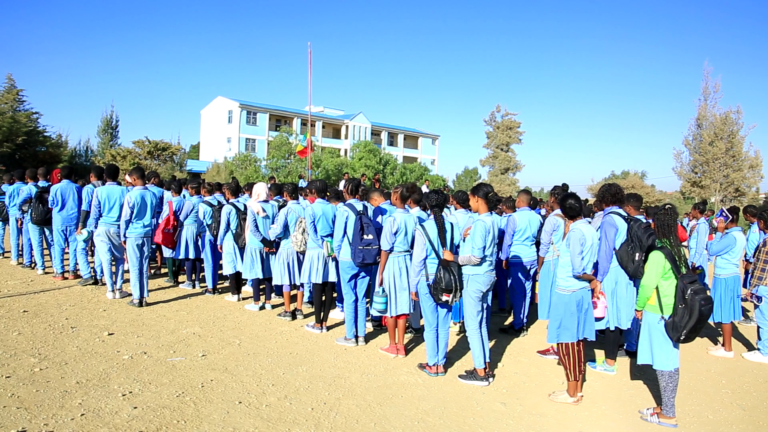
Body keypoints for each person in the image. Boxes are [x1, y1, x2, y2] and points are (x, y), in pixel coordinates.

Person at [444, 183, 500, 386]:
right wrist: (467, 235)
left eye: (470, 199)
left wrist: (454, 258)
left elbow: (475, 257)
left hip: (475, 276)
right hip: (487, 275)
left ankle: (480, 372)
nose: (469, 203)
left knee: (473, 326)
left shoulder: (481, 224)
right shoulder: (492, 220)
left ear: (477, 198)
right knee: (481, 323)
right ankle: (484, 365)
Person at [636, 204, 686, 427]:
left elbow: (647, 285)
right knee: (668, 360)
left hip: (659, 313)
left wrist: (639, 306)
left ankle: (669, 414)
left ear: (657, 226)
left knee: (665, 363)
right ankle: (665, 406)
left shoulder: (658, 254)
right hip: (674, 311)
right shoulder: (678, 250)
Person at [546, 192, 598, 405]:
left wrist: (592, 278)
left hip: (569, 291)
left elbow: (577, 269)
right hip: (579, 291)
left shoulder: (576, 232)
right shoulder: (589, 228)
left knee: (568, 343)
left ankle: (571, 391)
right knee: (576, 342)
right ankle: (574, 389)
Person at [588, 183, 634, 375]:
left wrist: (598, 278)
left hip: (612, 273)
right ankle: (616, 354)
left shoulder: (608, 220)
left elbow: (605, 252)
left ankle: (609, 363)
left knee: (610, 319)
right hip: (625, 272)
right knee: (619, 315)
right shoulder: (626, 217)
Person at [410, 190, 457, 376]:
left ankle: (432, 363)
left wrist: (413, 286)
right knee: (444, 322)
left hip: (427, 279)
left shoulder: (422, 228)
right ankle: (441, 363)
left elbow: (417, 261)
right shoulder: (452, 226)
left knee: (430, 324)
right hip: (447, 279)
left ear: (427, 205)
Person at [377, 184, 417, 357]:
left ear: (395, 197)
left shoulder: (392, 219)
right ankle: (402, 345)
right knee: (403, 305)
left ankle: (392, 344)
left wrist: (381, 271)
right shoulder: (412, 218)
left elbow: (385, 248)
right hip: (406, 261)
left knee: (391, 305)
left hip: (393, 261)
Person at [333, 178, 375, 347]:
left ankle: (350, 335)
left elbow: (338, 238)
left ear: (345, 192)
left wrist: (337, 253)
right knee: (361, 296)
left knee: (349, 296)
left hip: (347, 256)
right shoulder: (368, 208)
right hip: (366, 257)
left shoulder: (343, 210)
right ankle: (362, 335)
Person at [500, 190, 543, 335]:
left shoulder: (514, 218)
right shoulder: (537, 218)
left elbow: (508, 240)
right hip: (531, 257)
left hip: (518, 258)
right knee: (527, 290)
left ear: (518, 200)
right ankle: (523, 321)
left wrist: (504, 257)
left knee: (517, 292)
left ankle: (518, 324)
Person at [706, 206, 746, 358]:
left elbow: (713, 250)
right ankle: (724, 344)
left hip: (725, 276)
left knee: (725, 311)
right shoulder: (739, 235)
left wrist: (718, 233)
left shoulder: (730, 237)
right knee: (725, 309)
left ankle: (727, 348)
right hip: (731, 274)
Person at [535, 183, 568, 359]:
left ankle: (555, 345)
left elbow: (544, 245)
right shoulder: (571, 217)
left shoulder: (553, 219)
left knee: (552, 303)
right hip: (565, 262)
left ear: (553, 199)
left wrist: (540, 267)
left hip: (551, 262)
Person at [301, 180, 337, 332]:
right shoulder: (333, 208)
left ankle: (317, 323)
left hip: (316, 248)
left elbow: (312, 230)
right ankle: (324, 323)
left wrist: (320, 244)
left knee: (317, 284)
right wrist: (329, 244)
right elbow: (336, 229)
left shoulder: (311, 208)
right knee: (329, 284)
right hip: (330, 245)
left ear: (314, 192)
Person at [90, 164, 129, 299]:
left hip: (101, 228)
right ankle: (119, 289)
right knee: (119, 259)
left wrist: (93, 229)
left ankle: (109, 290)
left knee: (105, 259)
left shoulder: (98, 191)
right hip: (117, 228)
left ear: (105, 176)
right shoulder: (125, 191)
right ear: (118, 176)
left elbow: (94, 213)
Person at [120, 166, 157, 307]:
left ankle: (136, 298)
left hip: (133, 234)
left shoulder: (131, 196)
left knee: (134, 266)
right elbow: (154, 216)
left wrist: (123, 235)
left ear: (134, 179)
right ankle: (144, 296)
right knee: (144, 265)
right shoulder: (152, 195)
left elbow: (125, 218)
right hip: (147, 234)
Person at [268, 183, 306, 320]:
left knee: (286, 278)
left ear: (285, 195)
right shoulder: (304, 208)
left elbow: (279, 230)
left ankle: (288, 309)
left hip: (287, 246)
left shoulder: (285, 210)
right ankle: (300, 309)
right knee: (300, 278)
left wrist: (270, 234)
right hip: (302, 247)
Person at [15, 168, 54, 275]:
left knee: (37, 243)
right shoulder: (52, 187)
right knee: (51, 242)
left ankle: (41, 267)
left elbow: (19, 203)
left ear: (38, 176)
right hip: (48, 217)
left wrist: (21, 214)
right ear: (48, 176)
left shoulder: (30, 188)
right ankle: (56, 266)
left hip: (33, 217)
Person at [743, 210, 768, 364]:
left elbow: (760, 268)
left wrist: (751, 289)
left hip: (763, 286)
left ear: (762, 223)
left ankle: (764, 351)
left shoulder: (765, 243)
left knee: (763, 319)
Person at [446, 190, 474, 332]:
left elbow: (455, 239)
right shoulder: (472, 216)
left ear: (455, 201)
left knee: (455, 287)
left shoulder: (452, 218)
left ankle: (456, 320)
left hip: (455, 255)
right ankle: (463, 318)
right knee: (463, 287)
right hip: (468, 255)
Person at [49, 166, 82, 280]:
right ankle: (72, 271)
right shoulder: (77, 187)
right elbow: (81, 203)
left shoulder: (54, 188)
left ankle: (60, 272)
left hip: (59, 219)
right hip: (73, 219)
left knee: (59, 245)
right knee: (73, 245)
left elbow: (51, 204)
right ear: (72, 175)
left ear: (60, 175)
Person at [76, 165, 105, 286]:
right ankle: (98, 275)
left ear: (91, 176)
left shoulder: (88, 188)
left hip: (89, 223)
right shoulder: (105, 187)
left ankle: (87, 275)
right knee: (99, 249)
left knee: (81, 248)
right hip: (102, 223)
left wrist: (81, 224)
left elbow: (85, 208)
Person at [218, 184, 246, 302]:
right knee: (240, 266)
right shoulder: (244, 205)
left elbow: (223, 226)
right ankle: (239, 292)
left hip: (230, 239)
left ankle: (234, 293)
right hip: (241, 238)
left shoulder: (227, 207)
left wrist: (219, 241)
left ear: (228, 193)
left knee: (231, 266)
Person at [176, 182, 203, 289]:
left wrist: (178, 228)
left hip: (189, 228)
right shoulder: (202, 200)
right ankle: (197, 281)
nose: (188, 191)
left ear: (193, 191)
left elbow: (182, 217)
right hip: (198, 228)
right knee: (197, 255)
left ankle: (188, 281)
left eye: (189, 190)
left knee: (188, 254)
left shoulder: (190, 202)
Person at [159, 182, 187, 285]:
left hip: (170, 229)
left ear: (172, 192)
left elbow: (163, 217)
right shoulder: (185, 202)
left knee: (168, 252)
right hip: (181, 228)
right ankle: (177, 275)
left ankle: (171, 277)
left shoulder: (170, 203)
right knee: (178, 251)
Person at [199, 182, 223, 295]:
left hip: (207, 234)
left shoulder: (202, 205)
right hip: (218, 234)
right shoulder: (220, 203)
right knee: (216, 260)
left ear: (204, 191)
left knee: (208, 261)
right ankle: (215, 285)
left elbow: (200, 222)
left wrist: (199, 232)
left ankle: (210, 287)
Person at [742, 205, 761, 322]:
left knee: (755, 288)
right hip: (751, 260)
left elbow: (755, 246)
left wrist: (750, 260)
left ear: (748, 215)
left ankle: (755, 317)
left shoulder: (756, 228)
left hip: (753, 262)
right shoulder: (754, 226)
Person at [688, 201, 710, 289]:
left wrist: (695, 261)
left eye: (692, 210)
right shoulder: (698, 224)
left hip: (698, 257)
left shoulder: (702, 225)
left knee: (698, 279)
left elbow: (701, 244)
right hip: (695, 256)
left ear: (696, 211)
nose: (691, 212)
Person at [6, 169, 26, 265]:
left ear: (14, 178)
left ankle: (15, 257)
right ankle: (26, 257)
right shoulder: (26, 187)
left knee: (14, 236)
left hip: (13, 213)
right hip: (25, 213)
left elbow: (7, 202)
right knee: (26, 237)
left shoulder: (11, 188)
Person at [0, 173, 13, 259]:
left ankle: (1, 251)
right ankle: (14, 252)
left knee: (1, 233)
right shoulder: (12, 189)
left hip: (1, 213)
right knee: (13, 233)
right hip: (11, 212)